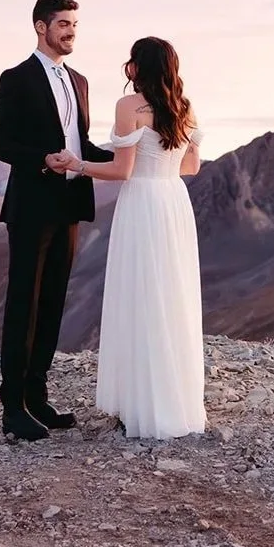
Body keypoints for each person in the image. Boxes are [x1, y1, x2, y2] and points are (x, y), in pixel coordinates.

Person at [59, 36, 206, 439]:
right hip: (173, 201)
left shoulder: (129, 107)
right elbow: (191, 166)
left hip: (142, 202)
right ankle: (176, 403)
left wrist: (77, 164)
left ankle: (142, 404)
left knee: (141, 295)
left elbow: (122, 172)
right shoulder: (185, 107)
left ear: (137, 66)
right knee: (171, 295)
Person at [0, 0, 114, 442]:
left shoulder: (78, 81)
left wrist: (131, 155)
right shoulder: (16, 78)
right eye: (63, 24)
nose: (70, 32)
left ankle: (38, 398)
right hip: (32, 205)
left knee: (53, 303)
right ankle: (14, 409)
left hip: (69, 205)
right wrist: (43, 159)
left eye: (75, 25)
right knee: (24, 304)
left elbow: (81, 145)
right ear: (41, 27)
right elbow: (1, 144)